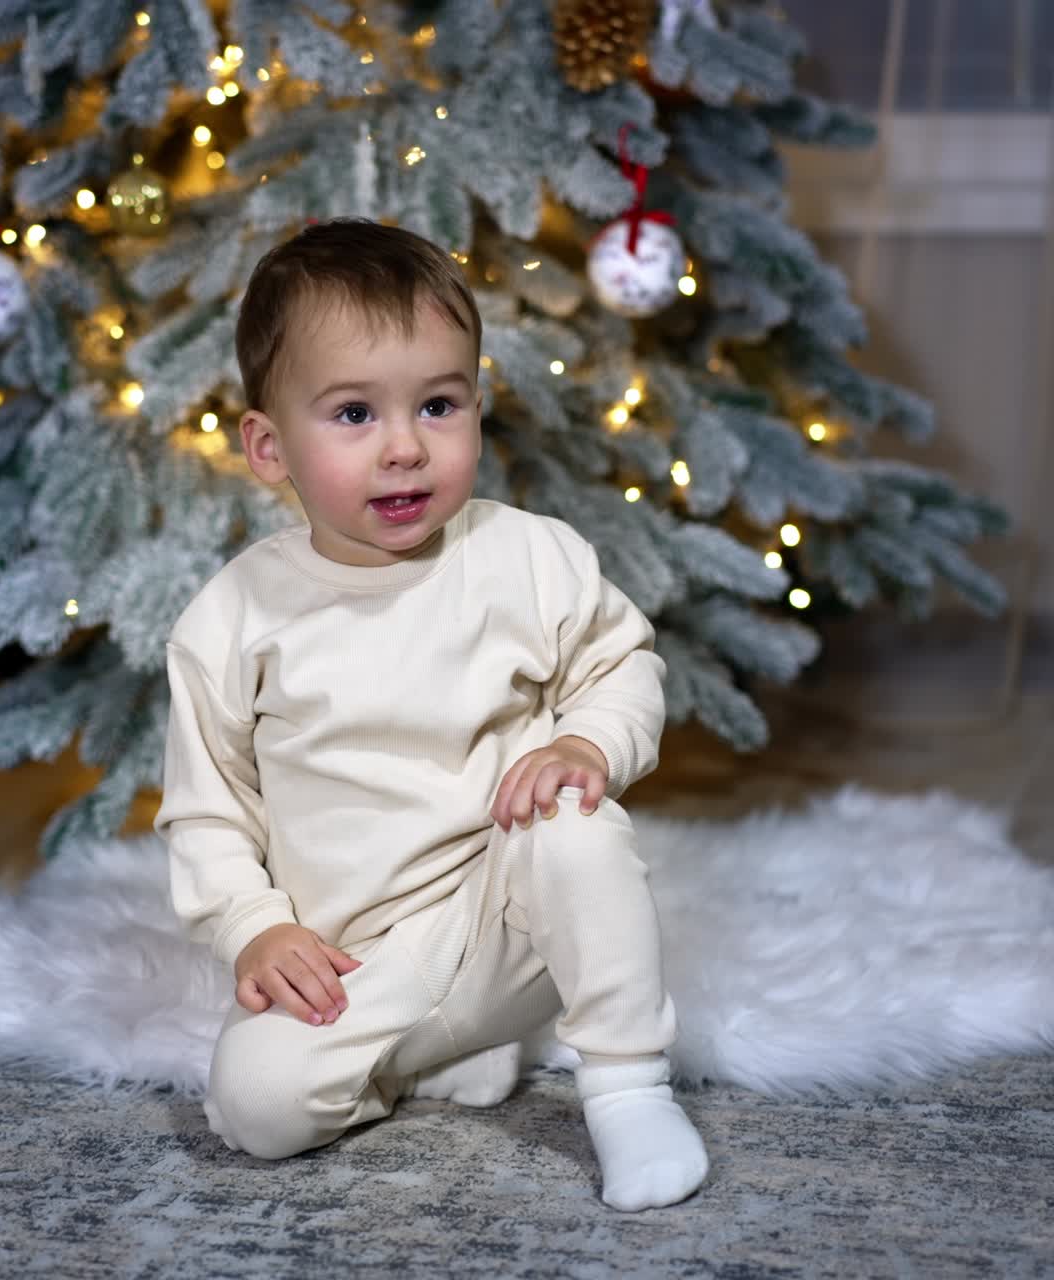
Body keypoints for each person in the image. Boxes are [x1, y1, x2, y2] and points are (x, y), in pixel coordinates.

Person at [153, 217, 710, 1212]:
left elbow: (621, 667)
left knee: (575, 830)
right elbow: (208, 811)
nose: (406, 447)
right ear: (269, 446)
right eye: (354, 414)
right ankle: (442, 1050)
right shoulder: (232, 618)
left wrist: (585, 741)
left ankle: (627, 1085)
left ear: (476, 407)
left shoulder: (527, 558)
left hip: (513, 906)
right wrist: (254, 928)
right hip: (358, 960)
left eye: (439, 405)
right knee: (255, 1105)